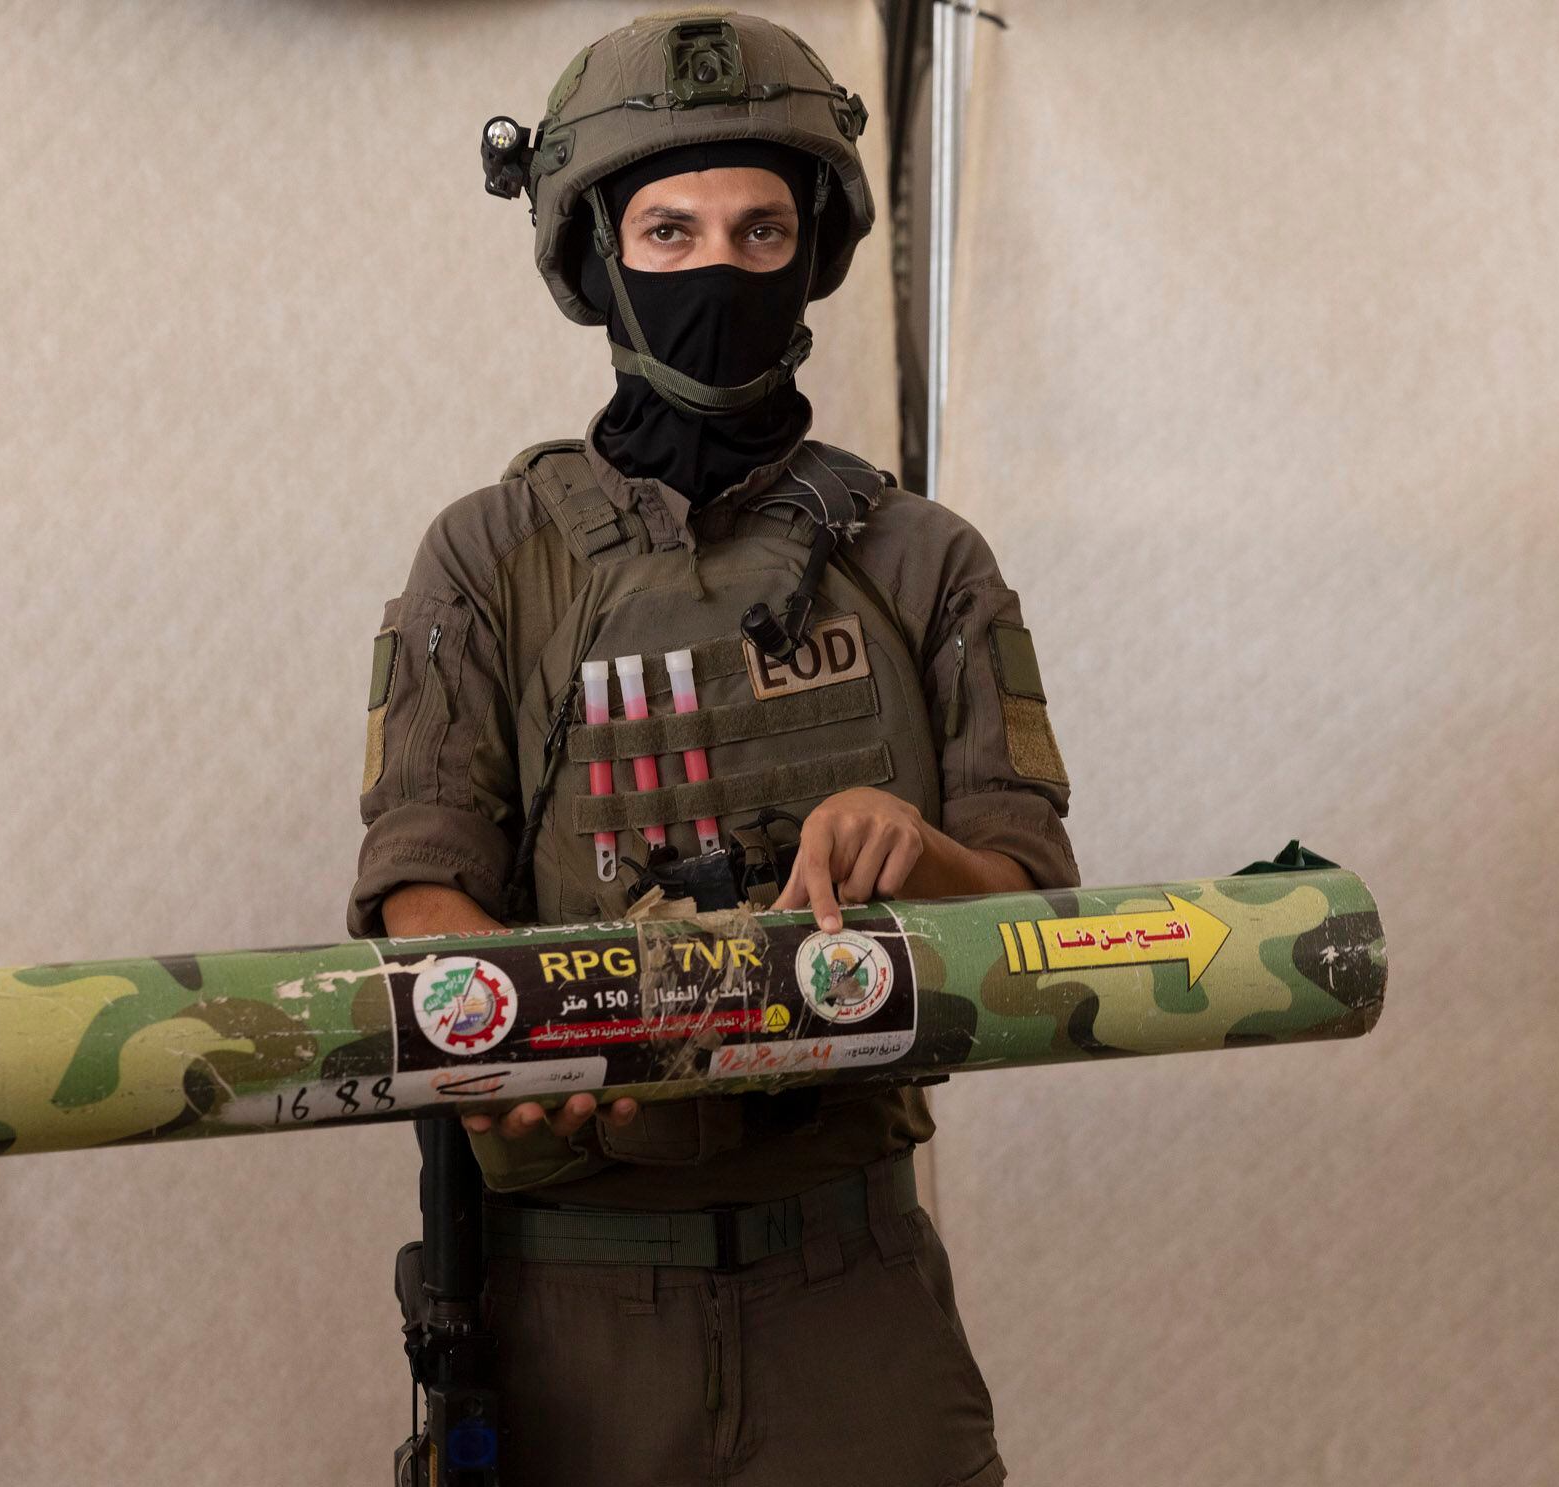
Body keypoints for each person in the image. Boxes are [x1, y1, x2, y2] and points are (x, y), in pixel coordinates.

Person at [350, 12, 1076, 1485]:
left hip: (851, 1282)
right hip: (570, 1296)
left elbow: (1032, 919)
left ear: (814, 251)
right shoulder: (488, 562)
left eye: (760, 230)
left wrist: (918, 852)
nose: (717, 272)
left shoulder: (923, 560)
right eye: (668, 231)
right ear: (596, 258)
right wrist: (510, 1020)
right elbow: (417, 890)